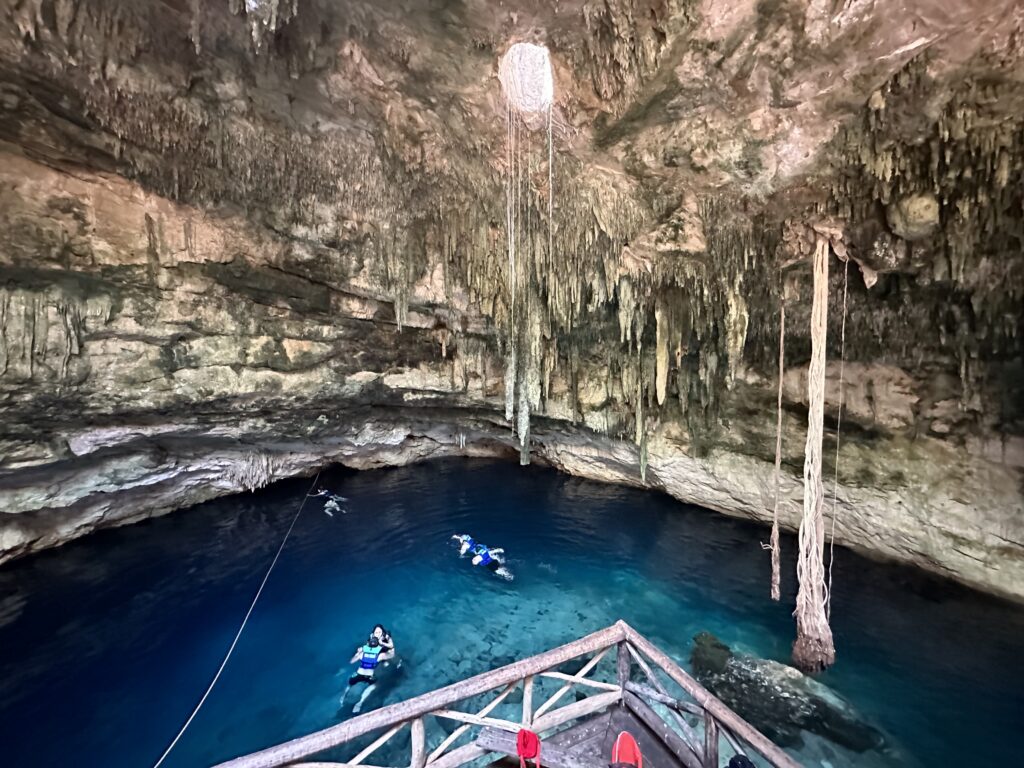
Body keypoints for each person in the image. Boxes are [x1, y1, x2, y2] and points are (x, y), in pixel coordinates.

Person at [339, 635, 394, 713]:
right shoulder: (379, 656)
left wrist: (357, 653)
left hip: (359, 673)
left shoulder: (362, 654)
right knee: (374, 685)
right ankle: (360, 702)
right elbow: (391, 655)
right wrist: (390, 645)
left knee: (350, 684)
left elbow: (351, 662)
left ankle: (343, 697)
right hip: (369, 676)